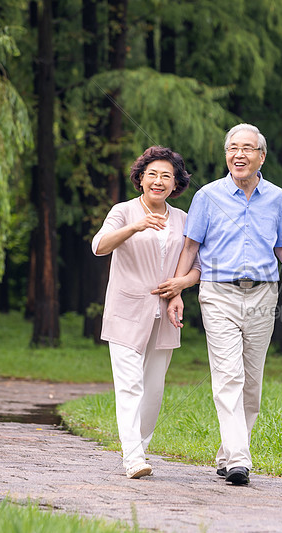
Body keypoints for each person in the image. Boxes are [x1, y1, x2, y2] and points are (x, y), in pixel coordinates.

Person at [167, 123, 282, 486]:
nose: (239, 154)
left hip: (263, 293)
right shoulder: (207, 196)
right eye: (232, 148)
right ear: (226, 154)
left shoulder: (277, 198)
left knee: (252, 382)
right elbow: (190, 248)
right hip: (218, 293)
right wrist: (177, 292)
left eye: (247, 148)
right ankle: (239, 458)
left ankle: (228, 452)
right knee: (229, 375)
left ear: (261, 156)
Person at [92, 145, 200, 479]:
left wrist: (180, 285)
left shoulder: (183, 220)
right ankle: (133, 457)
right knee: (129, 385)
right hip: (126, 309)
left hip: (166, 314)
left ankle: (139, 446)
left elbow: (197, 268)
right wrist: (135, 227)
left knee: (153, 389)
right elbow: (99, 246)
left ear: (175, 184)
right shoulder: (123, 211)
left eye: (166, 176)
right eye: (151, 174)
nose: (158, 181)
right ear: (140, 179)